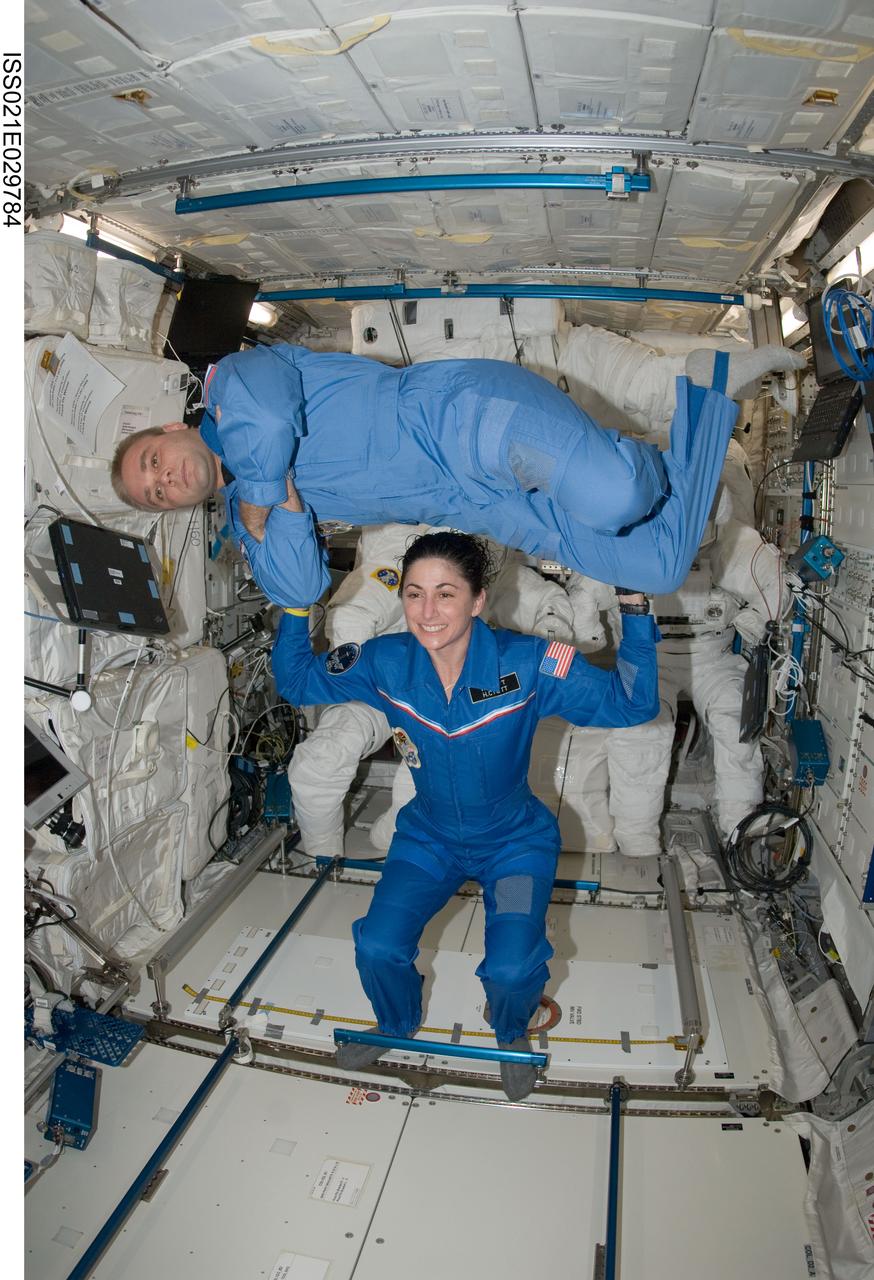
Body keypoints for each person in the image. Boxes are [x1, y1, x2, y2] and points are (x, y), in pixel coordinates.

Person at [271, 529, 660, 1101]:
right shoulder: (384, 662)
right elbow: (297, 680)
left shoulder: (530, 662)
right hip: (428, 838)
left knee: (510, 968)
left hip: (515, 844)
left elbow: (633, 703)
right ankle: (396, 1023)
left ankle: (510, 1034)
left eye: (446, 594)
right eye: (414, 593)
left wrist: (634, 606)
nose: (427, 612)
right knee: (378, 945)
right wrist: (294, 601)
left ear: (478, 600)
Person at [110, 341, 772, 605]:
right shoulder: (244, 511)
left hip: (460, 420)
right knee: (655, 569)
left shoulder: (233, 382)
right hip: (478, 506)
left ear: (171, 430)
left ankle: (639, 452)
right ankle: (707, 387)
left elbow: (270, 417)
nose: (164, 482)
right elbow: (298, 586)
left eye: (153, 464)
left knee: (617, 494)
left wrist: (266, 494)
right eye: (157, 496)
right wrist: (269, 502)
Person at [289, 524, 576, 859]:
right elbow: (353, 618)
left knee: (420, 787)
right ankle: (323, 860)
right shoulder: (391, 576)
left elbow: (549, 613)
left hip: (456, 699)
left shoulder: (490, 577)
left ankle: (395, 842)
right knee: (319, 762)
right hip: (382, 687)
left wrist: (539, 656)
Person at [564, 473, 788, 855]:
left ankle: (738, 823)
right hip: (649, 658)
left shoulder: (741, 547)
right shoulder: (624, 541)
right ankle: (637, 839)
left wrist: (749, 623)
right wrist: (585, 633)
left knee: (735, 723)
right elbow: (585, 595)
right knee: (639, 734)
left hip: (713, 659)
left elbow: (776, 590)